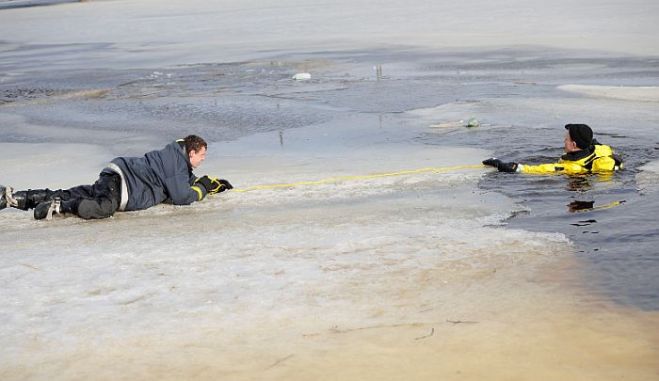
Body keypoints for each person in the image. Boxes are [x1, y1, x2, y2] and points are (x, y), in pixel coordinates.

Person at [0, 135, 232, 220]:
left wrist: (211, 184)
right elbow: (182, 196)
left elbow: (180, 183)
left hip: (117, 175)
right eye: (202, 155)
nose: (203, 159)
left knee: (79, 192)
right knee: (103, 207)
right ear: (191, 153)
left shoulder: (173, 160)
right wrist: (201, 188)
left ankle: (14, 198)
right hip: (123, 184)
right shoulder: (175, 164)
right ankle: (59, 207)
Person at [482, 123, 623, 174]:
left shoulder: (572, 168)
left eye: (566, 139)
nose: (563, 141)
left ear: (574, 145)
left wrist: (503, 165)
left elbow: (540, 169)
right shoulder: (602, 149)